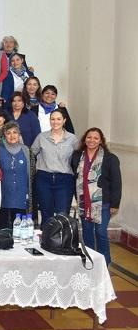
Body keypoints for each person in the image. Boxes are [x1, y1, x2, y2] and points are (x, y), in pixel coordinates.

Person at [71, 127, 122, 266]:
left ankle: (104, 262)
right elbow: (74, 178)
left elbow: (116, 183)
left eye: (95, 138)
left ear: (101, 141)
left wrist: (115, 204)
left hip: (104, 203)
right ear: (84, 139)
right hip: (84, 202)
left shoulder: (110, 159)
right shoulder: (77, 156)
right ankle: (89, 259)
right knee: (87, 231)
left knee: (100, 232)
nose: (91, 140)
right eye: (89, 137)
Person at [31, 109, 79, 227]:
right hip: (44, 179)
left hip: (64, 180)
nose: (55, 122)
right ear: (49, 121)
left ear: (64, 121)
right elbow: (31, 154)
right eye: (52, 119)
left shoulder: (72, 139)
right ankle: (45, 237)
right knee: (46, 213)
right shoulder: (42, 137)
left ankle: (61, 238)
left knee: (62, 214)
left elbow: (78, 158)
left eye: (58, 119)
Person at [0, 122, 31, 229]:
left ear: (19, 135)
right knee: (2, 226)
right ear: (4, 135)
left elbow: (28, 173)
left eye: (15, 132)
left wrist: (28, 193)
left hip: (20, 193)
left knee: (20, 227)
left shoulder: (26, 150)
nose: (12, 136)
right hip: (3, 193)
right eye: (8, 133)